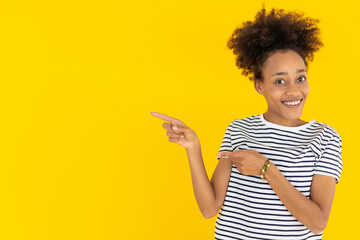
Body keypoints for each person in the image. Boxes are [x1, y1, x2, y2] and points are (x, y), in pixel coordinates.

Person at [151, 4, 343, 240]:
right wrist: (193, 149)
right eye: (280, 82)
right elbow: (209, 208)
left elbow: (317, 223)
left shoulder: (325, 137)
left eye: (300, 78)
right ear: (259, 85)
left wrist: (267, 169)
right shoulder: (239, 130)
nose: (294, 91)